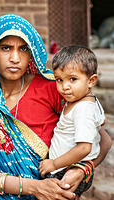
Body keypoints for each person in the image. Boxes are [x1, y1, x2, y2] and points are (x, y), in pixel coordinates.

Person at [0, 14, 112, 199]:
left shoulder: (53, 87)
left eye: (23, 49)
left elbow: (102, 140)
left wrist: (81, 169)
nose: (15, 58)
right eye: (6, 48)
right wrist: (34, 187)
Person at [39, 45, 106, 198]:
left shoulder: (82, 109)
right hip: (68, 168)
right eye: (59, 80)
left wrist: (54, 164)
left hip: (66, 170)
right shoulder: (88, 100)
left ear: (91, 81)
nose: (64, 87)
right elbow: (103, 120)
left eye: (73, 79)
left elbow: (84, 148)